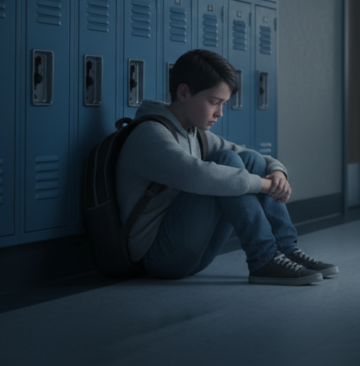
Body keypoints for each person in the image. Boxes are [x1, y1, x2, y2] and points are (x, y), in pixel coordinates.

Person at [116, 49, 337, 285]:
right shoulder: (150, 135)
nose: (220, 113)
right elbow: (197, 176)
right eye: (214, 102)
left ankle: (286, 250)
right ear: (183, 92)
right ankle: (264, 259)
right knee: (226, 162)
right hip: (160, 257)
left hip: (194, 252)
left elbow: (250, 156)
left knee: (252, 160)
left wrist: (278, 172)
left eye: (224, 104)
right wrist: (265, 186)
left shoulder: (193, 133)